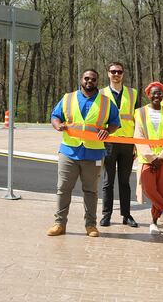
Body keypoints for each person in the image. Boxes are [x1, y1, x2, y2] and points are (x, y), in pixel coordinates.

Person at [48, 69, 120, 237]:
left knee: (91, 191)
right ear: (81, 79)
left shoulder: (106, 102)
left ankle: (91, 225)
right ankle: (59, 224)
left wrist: (108, 131)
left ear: (97, 82)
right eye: (86, 78)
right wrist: (57, 124)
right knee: (63, 189)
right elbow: (55, 116)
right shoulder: (68, 98)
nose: (89, 81)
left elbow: (115, 122)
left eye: (93, 79)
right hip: (69, 151)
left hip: (93, 153)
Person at [134, 82, 163, 235]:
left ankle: (153, 222)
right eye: (154, 93)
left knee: (160, 190)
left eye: (159, 93)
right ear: (148, 95)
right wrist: (152, 158)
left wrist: (161, 158)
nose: (156, 96)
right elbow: (138, 136)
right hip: (147, 159)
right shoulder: (139, 112)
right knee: (149, 189)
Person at [100, 62, 140, 228]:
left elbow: (138, 120)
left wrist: (137, 144)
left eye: (119, 72)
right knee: (108, 181)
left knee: (124, 181)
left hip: (127, 142)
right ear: (108, 73)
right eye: (113, 71)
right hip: (108, 142)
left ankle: (126, 215)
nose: (116, 74)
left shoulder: (133, 93)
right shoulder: (101, 93)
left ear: (123, 74)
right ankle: (106, 215)